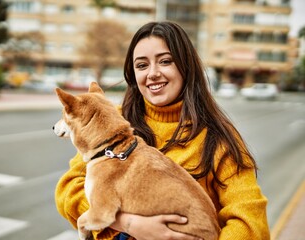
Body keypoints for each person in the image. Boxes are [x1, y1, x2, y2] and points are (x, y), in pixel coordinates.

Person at [55, 21, 270, 240]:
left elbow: (251, 223)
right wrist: (128, 223)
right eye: (141, 65)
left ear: (185, 66)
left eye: (165, 61)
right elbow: (69, 188)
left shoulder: (218, 138)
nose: (153, 73)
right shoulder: (114, 122)